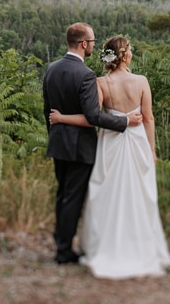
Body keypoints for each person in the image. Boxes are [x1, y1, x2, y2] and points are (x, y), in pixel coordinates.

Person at [49, 35, 170, 279]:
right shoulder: (141, 81)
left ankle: (102, 245)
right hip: (137, 143)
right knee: (138, 195)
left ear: (109, 57)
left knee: (105, 193)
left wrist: (62, 118)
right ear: (126, 55)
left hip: (110, 144)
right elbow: (148, 118)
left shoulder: (100, 83)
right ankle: (138, 246)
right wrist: (152, 149)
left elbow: (92, 118)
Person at [43, 22, 141, 265]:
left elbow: (47, 111)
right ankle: (64, 252)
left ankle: (60, 243)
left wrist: (54, 133)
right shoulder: (85, 75)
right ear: (84, 44)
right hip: (79, 147)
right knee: (73, 198)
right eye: (93, 42)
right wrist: (124, 121)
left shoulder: (51, 69)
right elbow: (93, 117)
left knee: (62, 194)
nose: (94, 46)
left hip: (58, 142)